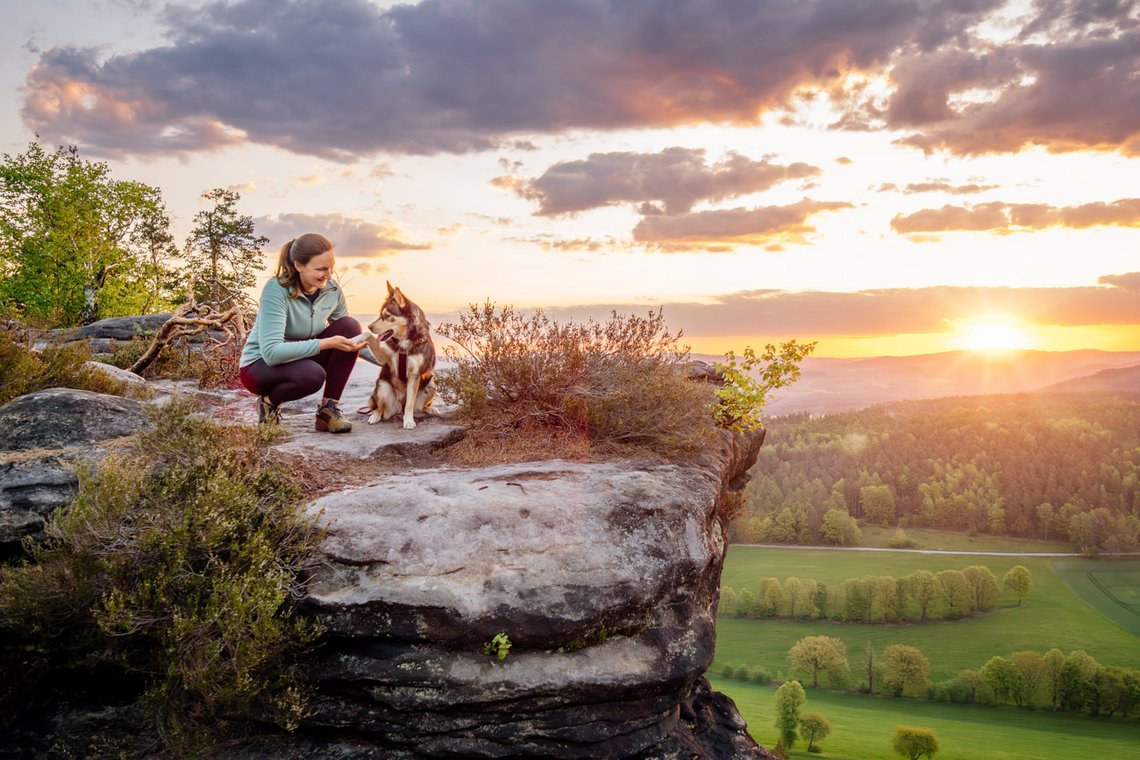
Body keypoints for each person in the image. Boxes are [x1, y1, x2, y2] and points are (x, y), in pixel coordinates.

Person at [238, 233, 365, 432]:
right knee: (312, 375)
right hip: (259, 366)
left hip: (301, 358)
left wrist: (393, 361)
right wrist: (326, 343)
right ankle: (268, 402)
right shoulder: (277, 290)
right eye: (321, 269)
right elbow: (272, 353)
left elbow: (348, 341)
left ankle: (328, 410)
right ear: (299, 266)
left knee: (349, 326)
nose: (329, 274)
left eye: (331, 267)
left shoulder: (332, 291)